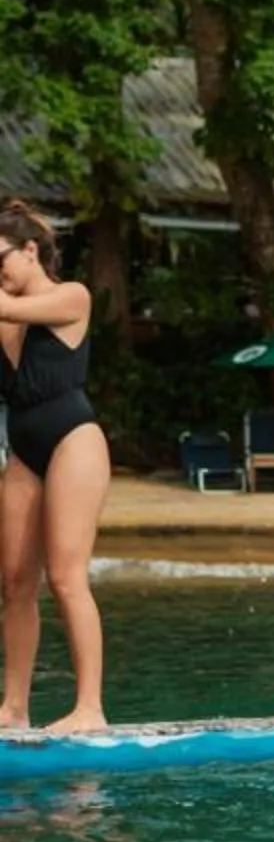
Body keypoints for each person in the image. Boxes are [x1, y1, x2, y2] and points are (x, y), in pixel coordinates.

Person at [0, 199, 112, 734]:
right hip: (24, 450)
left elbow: (8, 309)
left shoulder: (71, 297)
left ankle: (89, 708)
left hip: (73, 441)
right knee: (15, 581)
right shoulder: (8, 316)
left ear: (29, 250)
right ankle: (14, 709)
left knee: (67, 577)